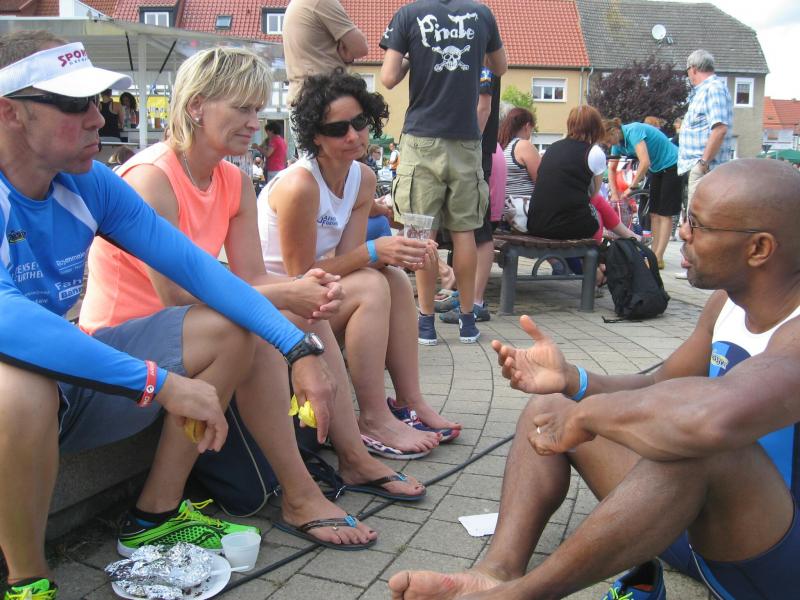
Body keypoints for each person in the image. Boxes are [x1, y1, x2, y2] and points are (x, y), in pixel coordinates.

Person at [0, 30, 342, 598]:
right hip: (18, 384)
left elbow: (197, 270)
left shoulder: (89, 181)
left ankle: (152, 517)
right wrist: (158, 382)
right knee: (19, 386)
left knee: (228, 328)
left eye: (96, 100)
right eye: (73, 104)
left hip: (68, 378)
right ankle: (28, 581)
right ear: (10, 112)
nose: (97, 117)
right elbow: (9, 321)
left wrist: (297, 347)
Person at [388, 158, 800, 600]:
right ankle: (496, 573)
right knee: (550, 409)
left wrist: (590, 417)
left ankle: (519, 596)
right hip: (696, 531)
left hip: (773, 564)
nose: (682, 232)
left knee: (702, 446)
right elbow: (660, 385)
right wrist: (573, 382)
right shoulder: (725, 305)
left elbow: (709, 421)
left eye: (697, 225)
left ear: (759, 248)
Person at [80, 47, 426, 552]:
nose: (254, 122)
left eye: (258, 109)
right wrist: (287, 292)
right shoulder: (152, 177)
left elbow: (249, 275)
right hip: (123, 337)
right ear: (196, 106)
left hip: (186, 328)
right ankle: (299, 494)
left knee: (303, 305)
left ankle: (352, 454)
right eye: (242, 108)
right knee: (257, 323)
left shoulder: (232, 178)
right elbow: (175, 295)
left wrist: (304, 290)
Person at [258, 70, 462, 459]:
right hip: (277, 306)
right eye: (338, 129)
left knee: (393, 279)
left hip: (315, 298)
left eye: (360, 122)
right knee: (372, 284)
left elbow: (347, 261)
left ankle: (410, 402)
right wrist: (375, 251)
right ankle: (372, 417)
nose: (353, 136)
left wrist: (393, 253)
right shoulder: (300, 185)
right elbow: (301, 278)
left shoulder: (362, 178)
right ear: (316, 136)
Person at [380, 0, 507, 345]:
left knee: (421, 233)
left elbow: (388, 78)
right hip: (466, 140)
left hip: (421, 138)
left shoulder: (409, 14)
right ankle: (467, 320)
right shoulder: (482, 15)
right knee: (465, 233)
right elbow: (500, 66)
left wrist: (414, 57)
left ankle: (426, 322)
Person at [438, 66, 503, 325]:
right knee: (465, 227)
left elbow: (483, 107)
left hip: (472, 152)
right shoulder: (474, 58)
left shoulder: (484, 61)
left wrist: (468, 146)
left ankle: (476, 301)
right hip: (466, 150)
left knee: (479, 230)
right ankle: (467, 295)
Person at [527, 106, 638, 243]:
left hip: (536, 223)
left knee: (589, 205)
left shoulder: (552, 148)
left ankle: (629, 235)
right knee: (596, 211)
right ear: (596, 127)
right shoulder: (594, 152)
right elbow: (594, 194)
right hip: (567, 227)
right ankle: (599, 251)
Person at [676, 49, 733, 279]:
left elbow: (719, 128)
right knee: (692, 220)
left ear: (693, 69)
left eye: (688, 71)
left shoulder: (713, 89)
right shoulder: (704, 91)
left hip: (702, 168)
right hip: (695, 166)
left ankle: (699, 267)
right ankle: (692, 263)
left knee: (697, 221)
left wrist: (702, 163)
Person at [603, 118, 682, 269]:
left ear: (614, 132)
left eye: (607, 141)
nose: (608, 145)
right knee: (654, 214)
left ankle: (658, 257)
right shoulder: (618, 144)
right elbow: (612, 168)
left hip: (672, 164)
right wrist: (614, 192)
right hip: (657, 169)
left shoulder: (633, 131)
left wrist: (631, 187)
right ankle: (654, 255)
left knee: (665, 214)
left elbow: (645, 162)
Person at [282, 0, 368, 104]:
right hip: (324, 98)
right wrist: (347, 52)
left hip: (301, 95)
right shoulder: (322, 2)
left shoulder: (297, 4)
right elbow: (361, 48)